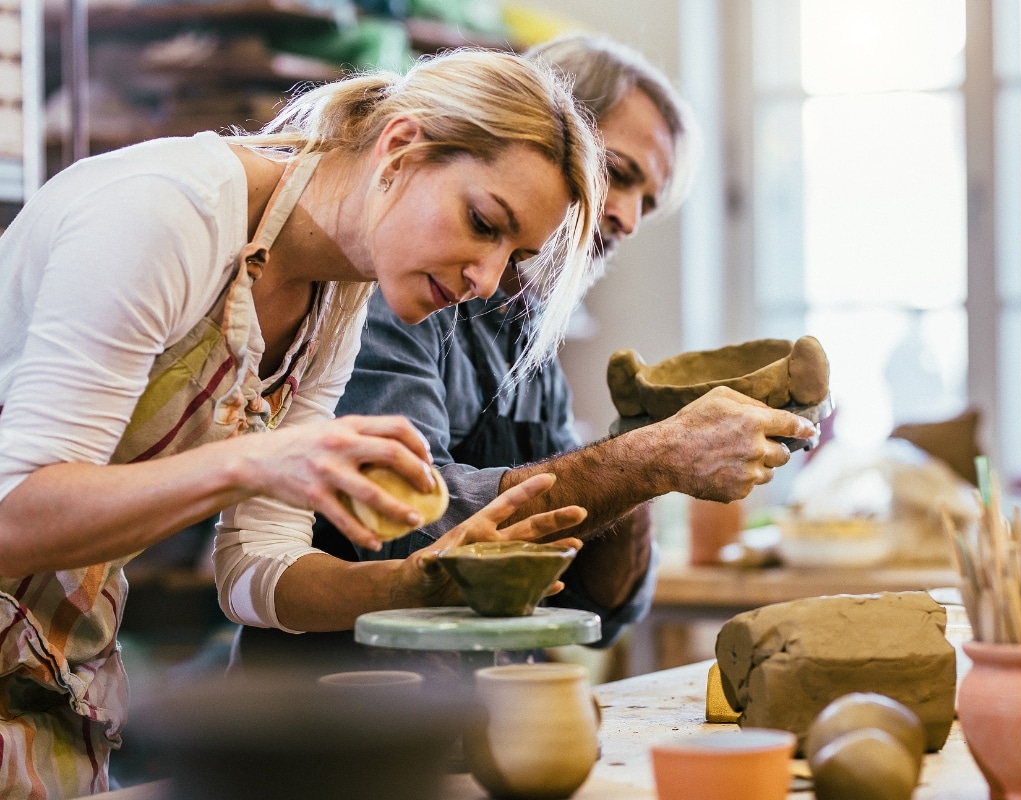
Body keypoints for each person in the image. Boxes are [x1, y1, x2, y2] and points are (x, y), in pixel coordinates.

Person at [0, 49, 604, 797]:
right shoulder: (167, 214)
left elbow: (255, 573)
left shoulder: (335, 296)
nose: (485, 278)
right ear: (400, 148)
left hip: (53, 654)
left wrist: (414, 583)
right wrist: (257, 461)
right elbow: (15, 515)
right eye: (483, 223)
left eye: (513, 256)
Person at [229, 34, 815, 670]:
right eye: (618, 175)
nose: (627, 218)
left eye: (647, 202)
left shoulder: (524, 326)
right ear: (547, 143)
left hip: (482, 705)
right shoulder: (392, 280)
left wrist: (646, 438)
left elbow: (597, 607)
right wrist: (648, 459)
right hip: (343, 705)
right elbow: (408, 528)